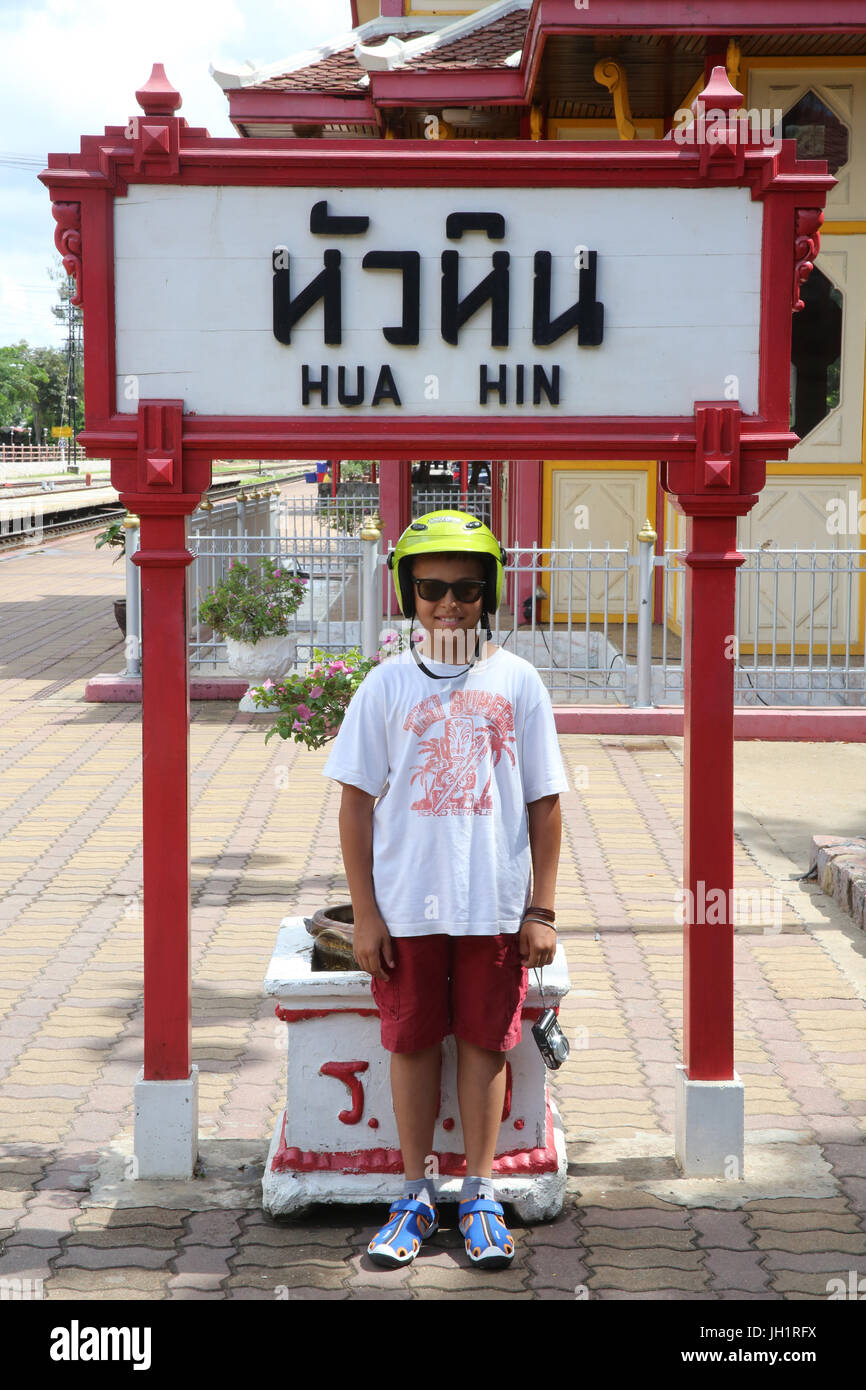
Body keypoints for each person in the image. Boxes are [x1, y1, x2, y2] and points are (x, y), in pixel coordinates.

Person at [321, 509, 569, 1270]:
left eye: (466, 588)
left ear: (489, 591)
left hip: (491, 905)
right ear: (408, 594)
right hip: (407, 904)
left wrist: (541, 907)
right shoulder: (387, 684)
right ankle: (414, 1191)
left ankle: (481, 1191)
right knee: (414, 1040)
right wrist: (364, 913)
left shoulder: (518, 681)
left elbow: (545, 801)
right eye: (431, 588)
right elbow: (356, 802)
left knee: (487, 1045)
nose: (449, 604)